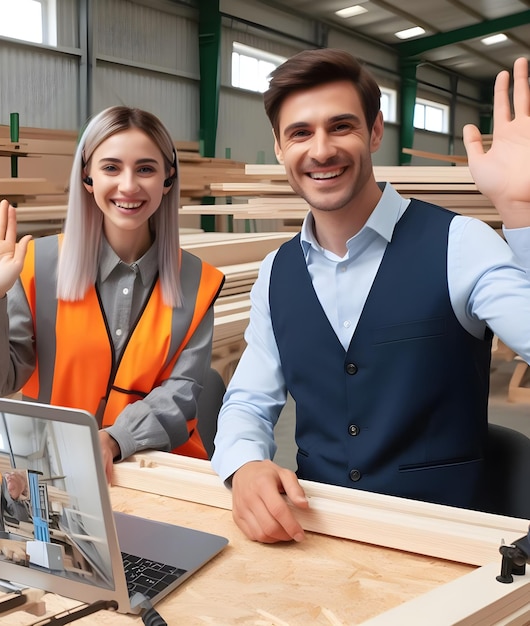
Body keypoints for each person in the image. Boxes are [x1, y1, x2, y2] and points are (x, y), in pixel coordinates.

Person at [211, 48, 530, 543]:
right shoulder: (277, 272)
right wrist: (245, 463)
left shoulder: (459, 244)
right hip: (320, 537)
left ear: (376, 131)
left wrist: (523, 213)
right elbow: (249, 400)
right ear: (278, 147)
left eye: (341, 126)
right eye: (300, 133)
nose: (320, 150)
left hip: (449, 546)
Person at [0, 106, 225, 483]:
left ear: (168, 178)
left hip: (156, 471)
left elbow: (183, 391)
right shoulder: (36, 266)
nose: (128, 185)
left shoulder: (197, 280)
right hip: (55, 470)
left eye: (145, 168)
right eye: (111, 168)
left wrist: (115, 440)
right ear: (88, 177)